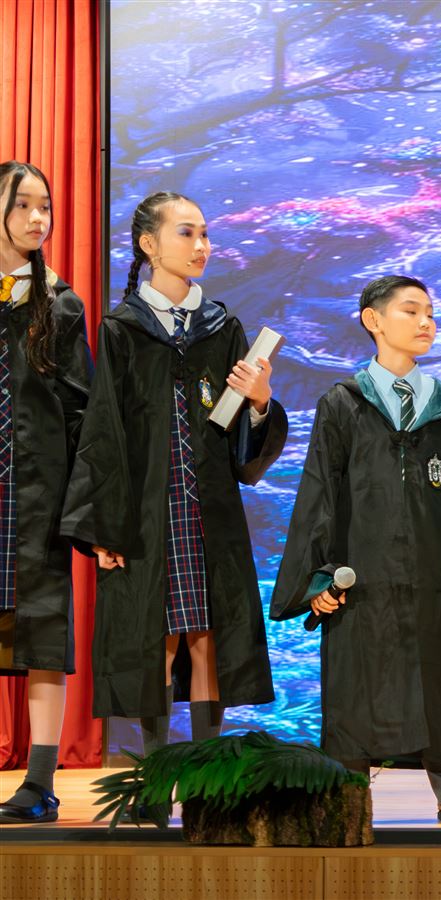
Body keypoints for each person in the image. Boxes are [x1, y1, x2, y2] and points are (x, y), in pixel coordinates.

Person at [61, 191, 286, 759]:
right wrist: (102, 526)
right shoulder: (123, 328)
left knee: (209, 635)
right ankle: (156, 775)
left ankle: (206, 771)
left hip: (209, 508)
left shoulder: (221, 327)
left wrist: (261, 401)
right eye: (186, 233)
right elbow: (104, 429)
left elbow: (240, 440)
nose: (202, 245)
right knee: (154, 638)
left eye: (205, 233)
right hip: (147, 509)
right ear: (149, 245)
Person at [270, 275, 441, 823]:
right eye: (411, 311)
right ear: (373, 320)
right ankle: (347, 793)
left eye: (430, 313)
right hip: (359, 577)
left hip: (430, 578)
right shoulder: (343, 404)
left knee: (437, 684)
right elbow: (319, 496)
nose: (425, 323)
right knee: (354, 683)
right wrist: (319, 578)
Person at [0, 162, 93, 824]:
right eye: (24, 205)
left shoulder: (60, 305)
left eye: (47, 206)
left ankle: (39, 783)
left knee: (42, 637)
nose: (39, 219)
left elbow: (81, 412)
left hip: (36, 495)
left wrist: (87, 510)